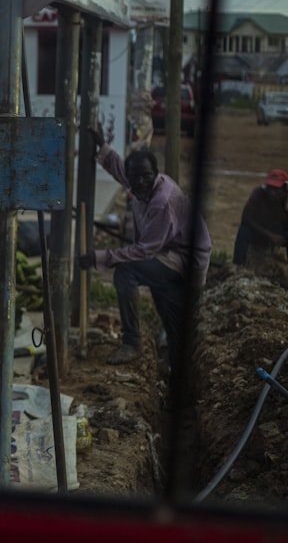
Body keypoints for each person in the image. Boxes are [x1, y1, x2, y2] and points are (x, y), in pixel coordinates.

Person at [77, 130, 211, 369]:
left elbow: (143, 251)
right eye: (134, 177)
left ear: (156, 174)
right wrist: (103, 148)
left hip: (183, 258)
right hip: (169, 252)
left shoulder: (162, 201)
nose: (139, 182)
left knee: (127, 272)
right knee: (169, 314)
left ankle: (132, 342)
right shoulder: (143, 182)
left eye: (145, 176)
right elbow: (122, 170)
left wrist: (100, 257)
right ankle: (174, 369)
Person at [232, 169, 288, 289]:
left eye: (276, 189)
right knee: (243, 231)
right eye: (270, 188)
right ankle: (236, 270)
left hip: (277, 236)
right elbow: (246, 219)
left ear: (284, 189)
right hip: (257, 233)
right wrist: (269, 235)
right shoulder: (258, 193)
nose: (272, 192)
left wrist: (279, 205)